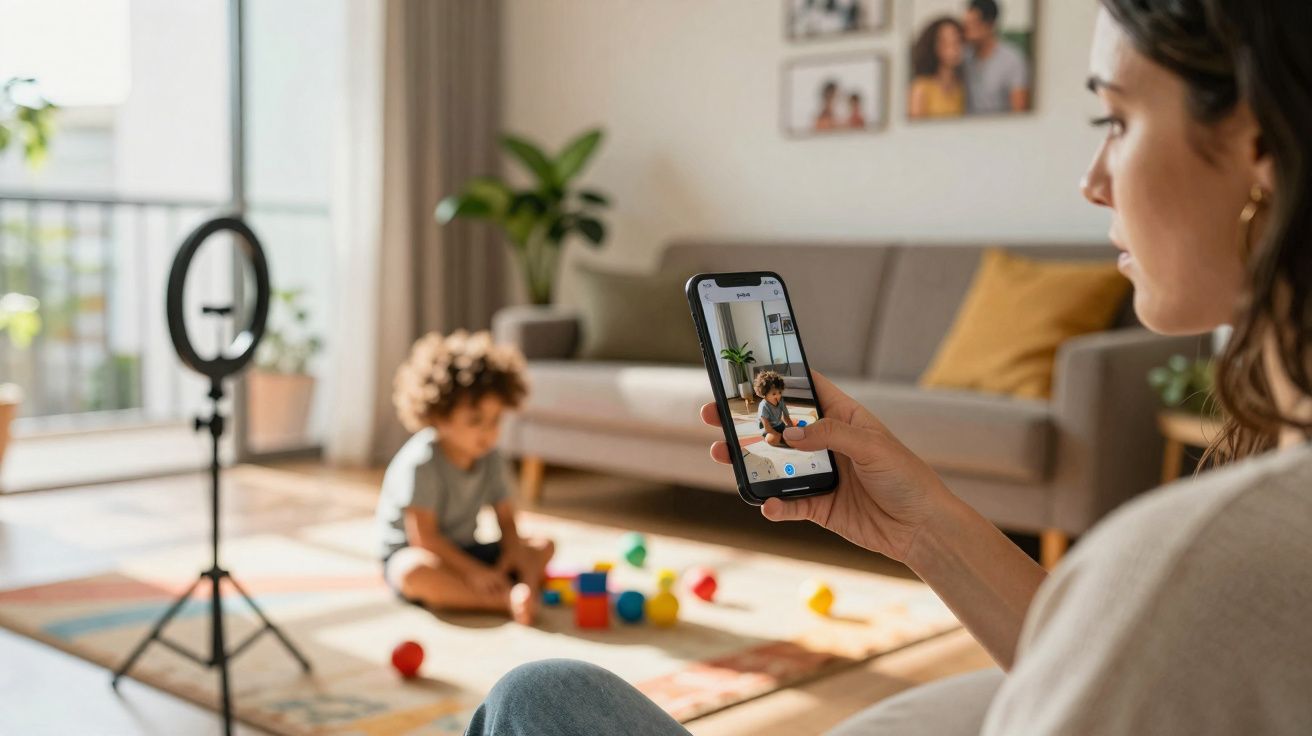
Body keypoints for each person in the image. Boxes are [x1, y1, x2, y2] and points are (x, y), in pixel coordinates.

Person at [465, 1, 1312, 733]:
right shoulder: (1258, 518)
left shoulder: (1195, 556)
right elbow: (1085, 668)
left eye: (1116, 121)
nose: (1093, 181)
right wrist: (920, 525)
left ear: (1261, 147)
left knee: (539, 697)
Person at [376, 330, 554, 626]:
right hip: (419, 553)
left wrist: (515, 556)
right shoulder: (422, 462)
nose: (488, 432)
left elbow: (507, 521)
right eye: (475, 421)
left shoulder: (491, 457)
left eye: (495, 420)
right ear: (439, 416)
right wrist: (475, 572)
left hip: (464, 548)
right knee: (413, 572)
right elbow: (425, 538)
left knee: (543, 544)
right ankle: (500, 600)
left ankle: (521, 591)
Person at [961, 0, 1030, 114]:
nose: (967, 32)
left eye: (972, 25)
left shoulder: (1012, 60)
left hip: (1001, 128)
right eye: (965, 25)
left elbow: (1020, 110)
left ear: (990, 25)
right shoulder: (963, 57)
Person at [909, 16, 967, 119]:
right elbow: (915, 131)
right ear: (933, 46)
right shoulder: (921, 88)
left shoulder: (960, 86)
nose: (954, 49)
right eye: (946, 42)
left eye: (957, 41)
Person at [755, 371, 795, 447]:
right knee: (771, 439)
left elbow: (786, 417)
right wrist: (778, 435)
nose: (778, 396)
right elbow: (767, 427)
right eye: (774, 394)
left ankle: (785, 438)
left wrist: (792, 429)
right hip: (769, 430)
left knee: (791, 431)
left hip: (780, 425)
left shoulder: (781, 401)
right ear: (764, 394)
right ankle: (784, 440)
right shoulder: (763, 406)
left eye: (779, 392)